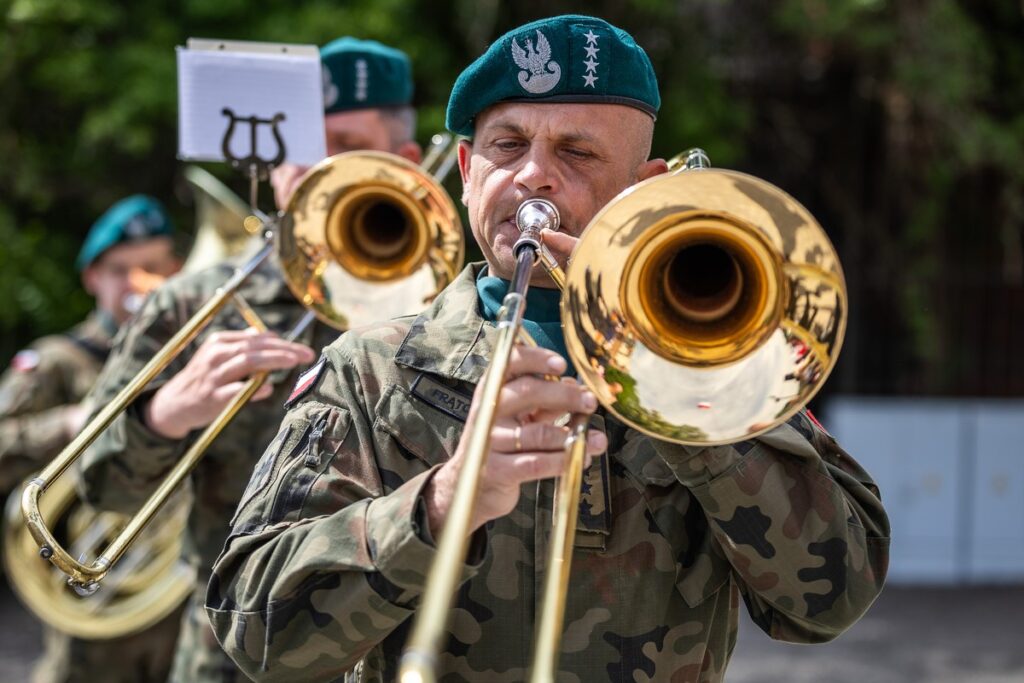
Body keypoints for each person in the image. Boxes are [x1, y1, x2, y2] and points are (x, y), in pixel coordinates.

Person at [206, 14, 892, 683]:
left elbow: (833, 596)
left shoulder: (724, 354)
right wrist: (439, 505)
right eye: (507, 146)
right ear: (468, 171)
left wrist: (676, 393)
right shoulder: (370, 366)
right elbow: (255, 633)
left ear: (643, 186)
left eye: (578, 151)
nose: (533, 175)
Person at [77, 38, 423, 683]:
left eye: (343, 143)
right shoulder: (192, 305)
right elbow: (100, 489)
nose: (316, 167)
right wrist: (167, 413)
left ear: (403, 161)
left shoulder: (449, 303)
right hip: (232, 652)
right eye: (298, 143)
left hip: (402, 649)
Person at [0, 195, 183, 683]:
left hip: (178, 590)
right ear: (92, 279)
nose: (139, 284)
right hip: (91, 587)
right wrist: (67, 423)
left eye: (154, 267)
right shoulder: (58, 360)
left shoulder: (192, 362)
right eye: (122, 270)